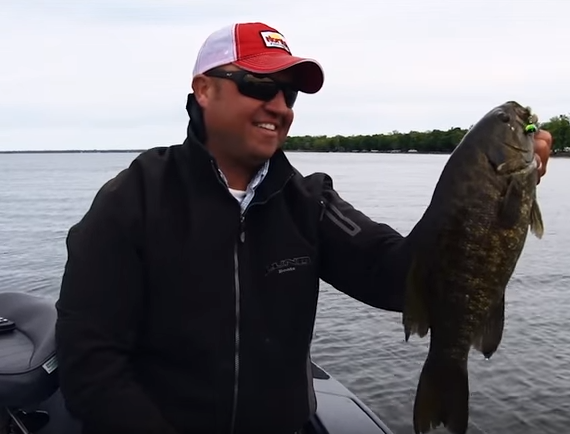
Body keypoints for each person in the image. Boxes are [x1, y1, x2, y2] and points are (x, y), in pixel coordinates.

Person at [54, 21, 553, 434]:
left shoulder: (308, 202)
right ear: (204, 90)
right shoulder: (130, 202)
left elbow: (396, 274)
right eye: (259, 85)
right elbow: (91, 362)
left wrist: (482, 197)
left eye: (289, 92)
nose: (280, 105)